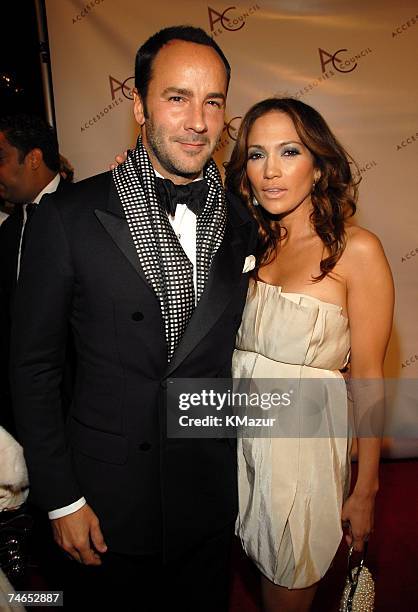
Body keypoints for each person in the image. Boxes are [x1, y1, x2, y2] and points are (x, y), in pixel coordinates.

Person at [10, 26, 256, 611]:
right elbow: (33, 369)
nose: (198, 121)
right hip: (103, 505)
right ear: (140, 106)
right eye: (178, 98)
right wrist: (62, 500)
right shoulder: (68, 217)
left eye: (213, 101)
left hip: (207, 500)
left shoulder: (244, 221)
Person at [225, 97, 394, 612]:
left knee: (287, 585)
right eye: (256, 154)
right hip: (240, 440)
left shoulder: (356, 250)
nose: (271, 170)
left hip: (301, 450)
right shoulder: (249, 240)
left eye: (289, 151)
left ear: (319, 166)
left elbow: (367, 374)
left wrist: (365, 489)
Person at [0, 114, 69, 436]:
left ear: (33, 159)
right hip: (20, 412)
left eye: (1, 158)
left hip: (80, 414)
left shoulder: (87, 212)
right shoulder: (8, 232)